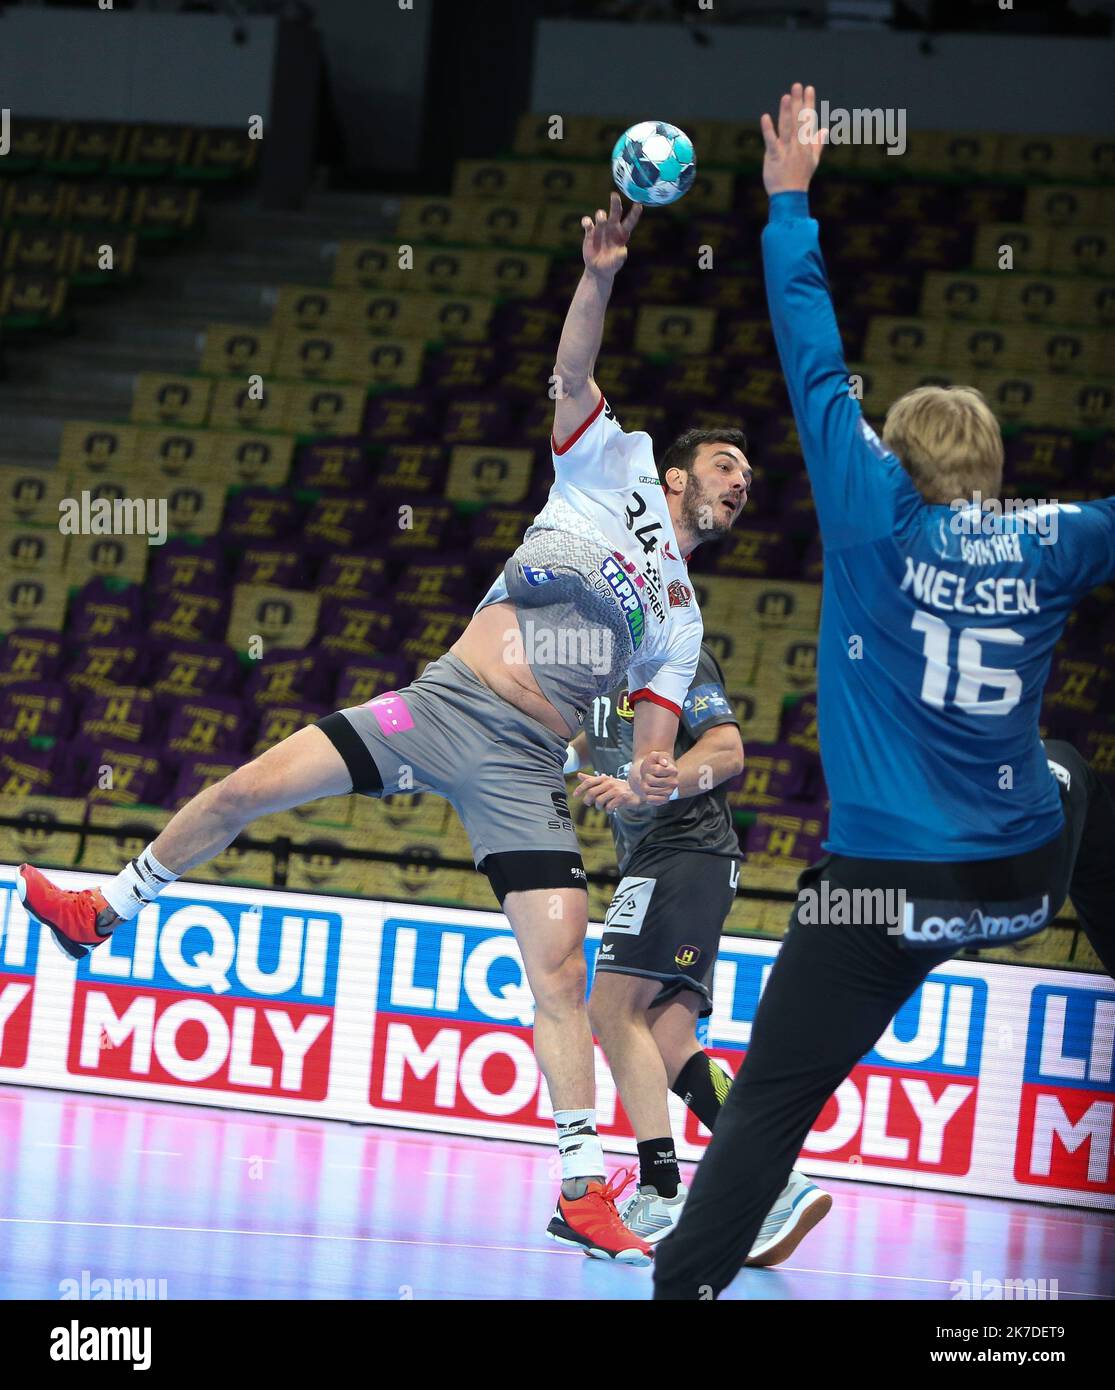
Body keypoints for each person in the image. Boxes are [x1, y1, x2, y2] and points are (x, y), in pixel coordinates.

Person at [18, 193, 750, 1266]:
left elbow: (645, 744)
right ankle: (105, 907)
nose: (740, 486)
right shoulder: (614, 465)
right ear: (678, 472)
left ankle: (585, 1185)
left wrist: (651, 776)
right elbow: (572, 376)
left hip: (521, 769)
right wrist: (596, 274)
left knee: (559, 976)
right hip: (439, 702)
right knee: (246, 788)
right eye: (727, 467)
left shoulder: (679, 627)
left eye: (751, 485)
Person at [653, 84, 1115, 1300]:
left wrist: (790, 197)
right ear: (995, 471)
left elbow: (810, 353)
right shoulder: (1057, 536)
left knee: (765, 1110)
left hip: (877, 900)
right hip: (1015, 879)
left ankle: (679, 1288)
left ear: (895, 462)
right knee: (1077, 778)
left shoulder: (868, 514)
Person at [568, 643, 832, 1261]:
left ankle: (660, 1193)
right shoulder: (595, 666)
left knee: (611, 1009)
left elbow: (727, 751)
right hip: (673, 864)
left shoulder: (673, 657)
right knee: (666, 1037)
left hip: (682, 854)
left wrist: (654, 788)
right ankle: (777, 1184)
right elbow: (588, 741)